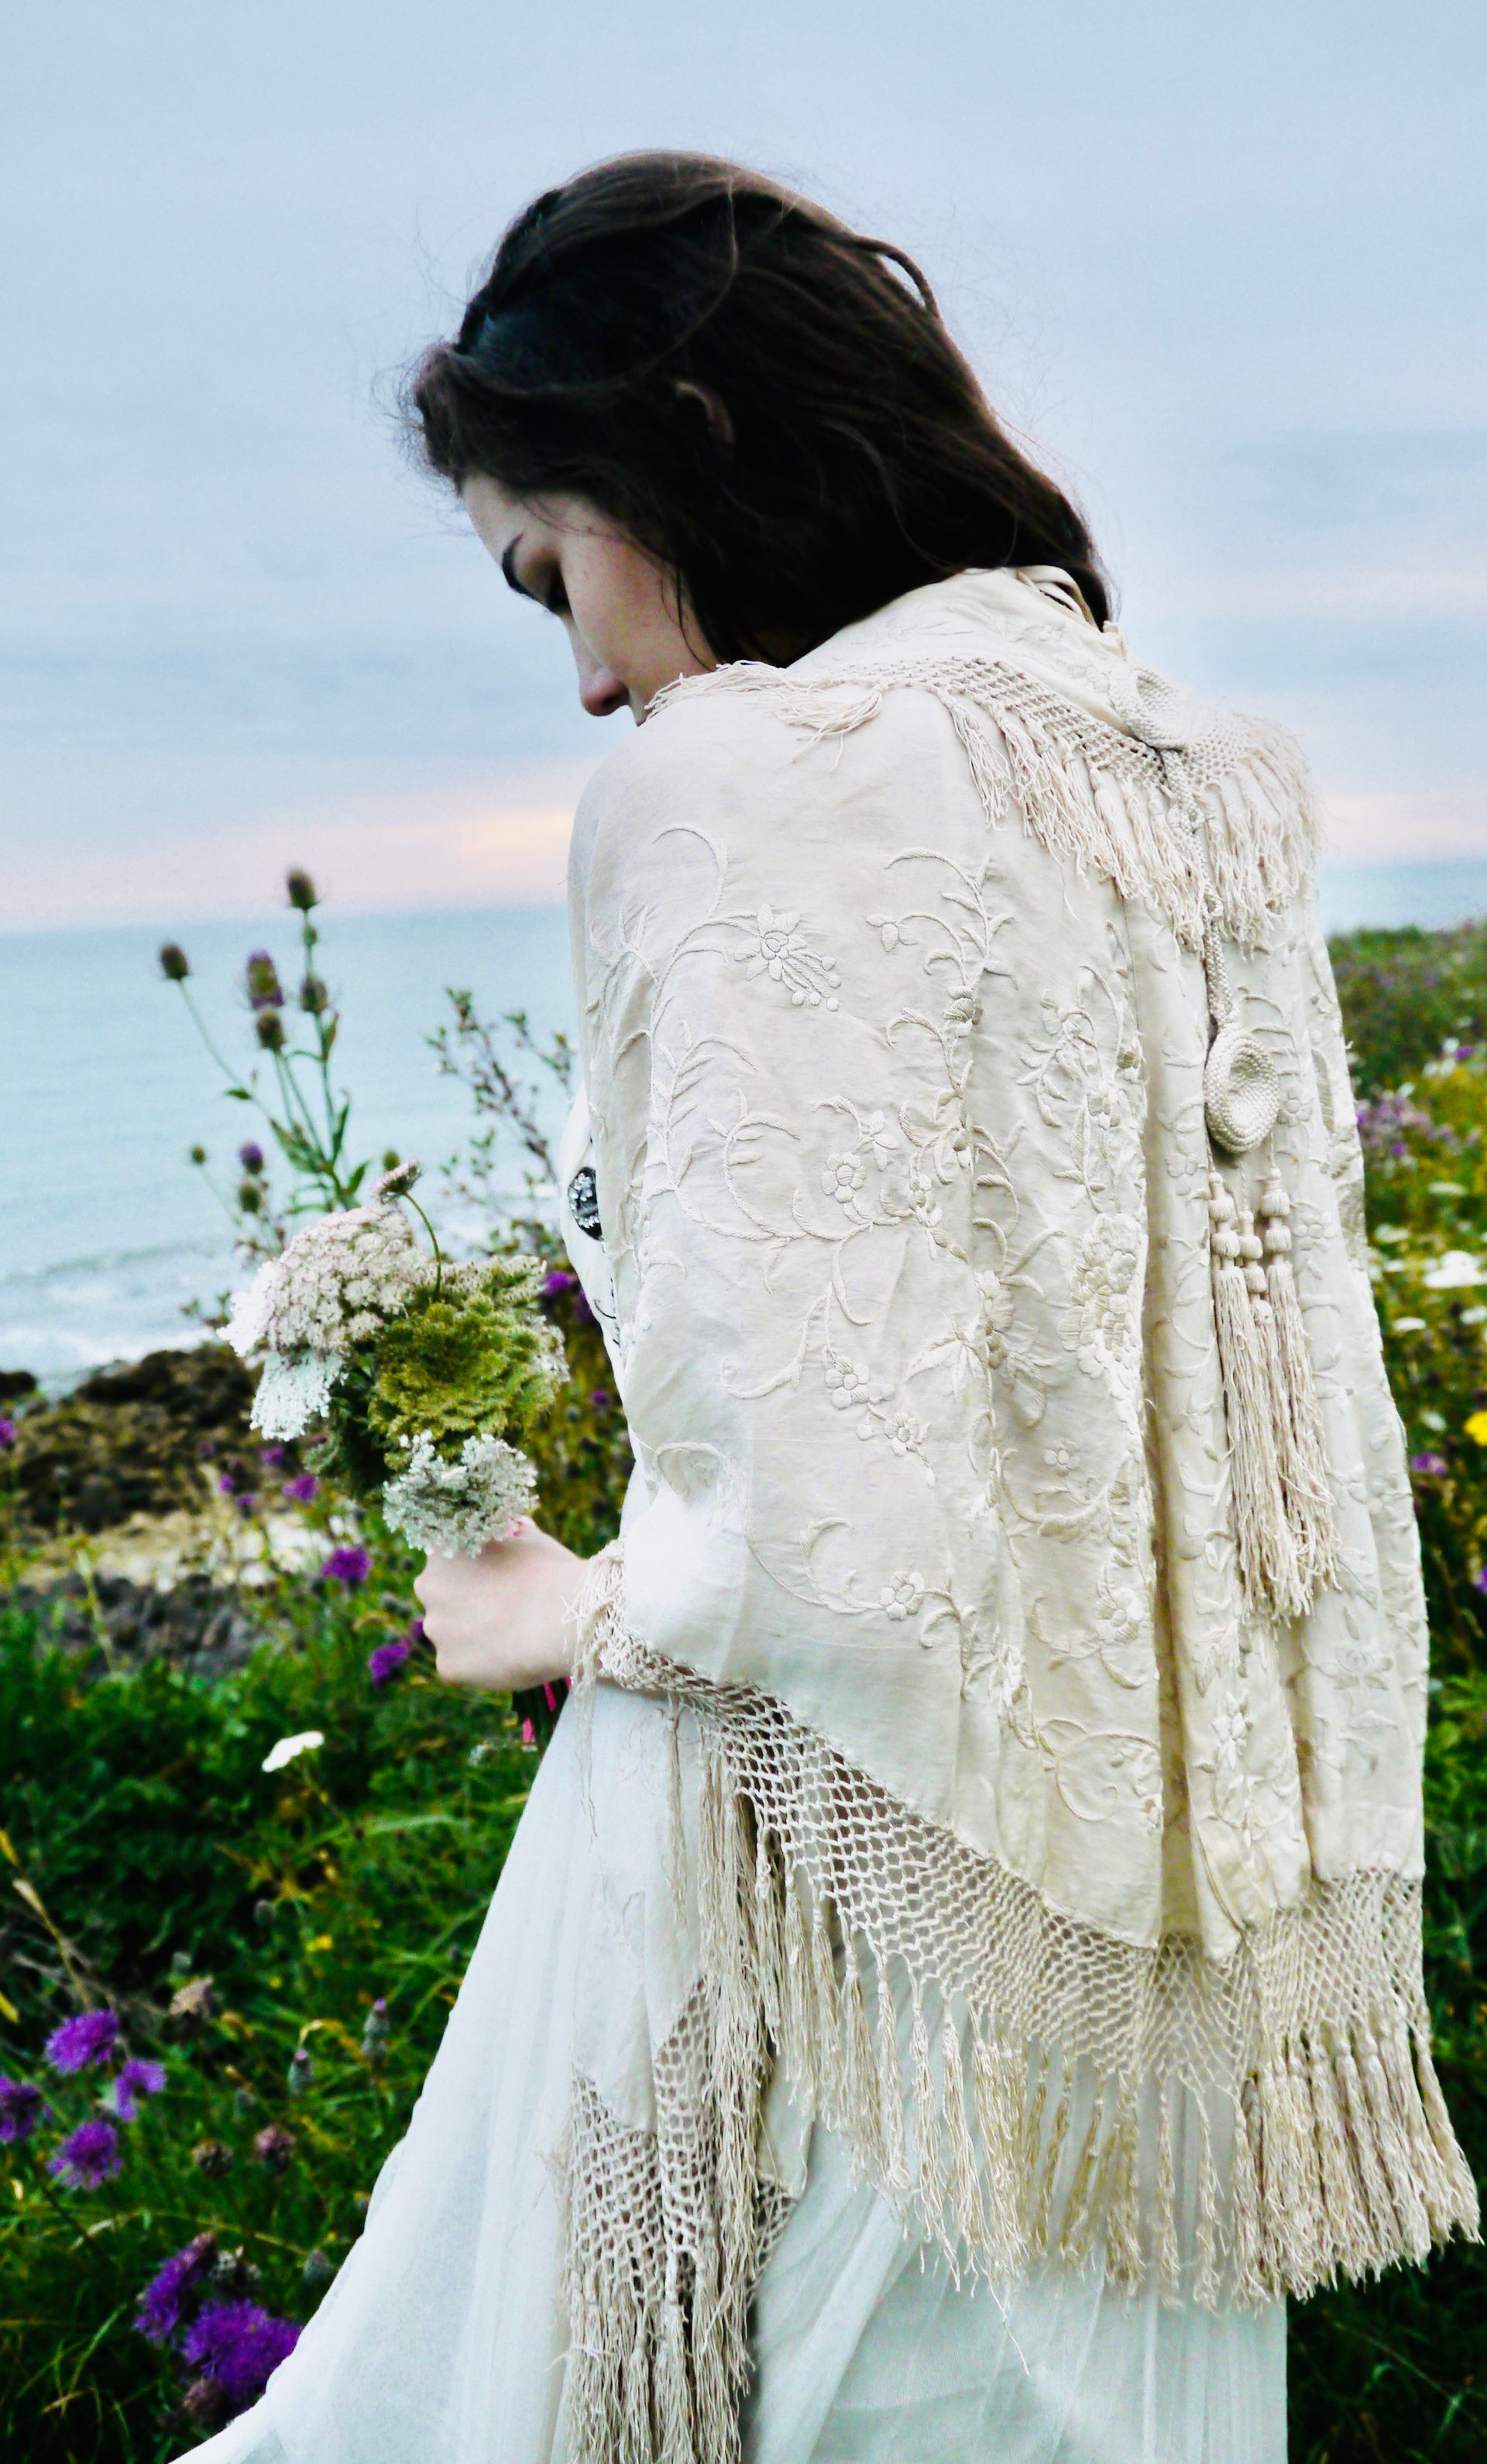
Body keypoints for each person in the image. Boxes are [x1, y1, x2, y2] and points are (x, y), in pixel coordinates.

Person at [187, 152, 1476, 2464]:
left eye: (554, 572)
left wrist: (558, 1603)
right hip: (1159, 1985)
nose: (589, 675)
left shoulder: (746, 780)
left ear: (686, 439)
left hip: (846, 1950)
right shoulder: (1210, 784)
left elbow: (813, 1526)